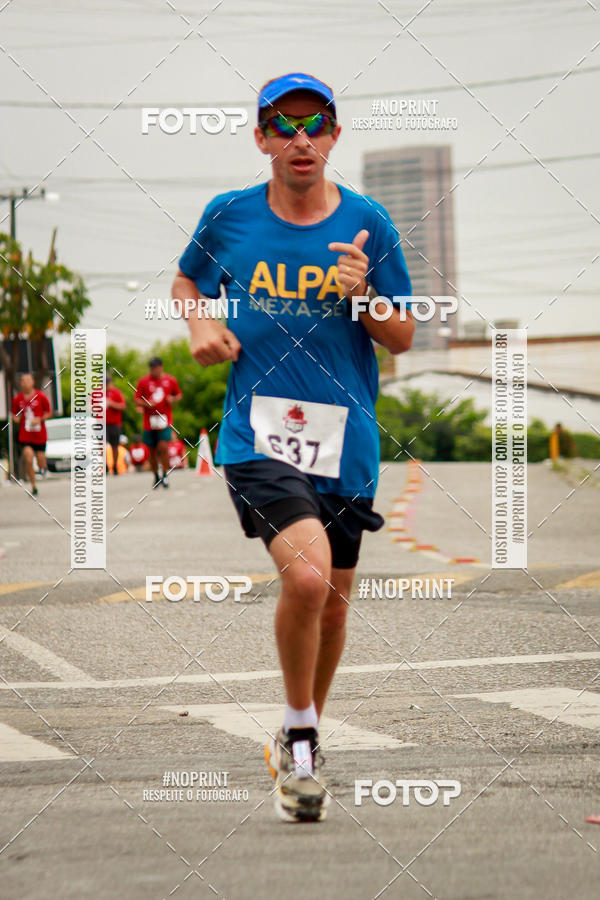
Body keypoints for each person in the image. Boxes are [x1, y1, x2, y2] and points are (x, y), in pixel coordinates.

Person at [173, 72, 414, 822]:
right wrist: (199, 324)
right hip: (258, 433)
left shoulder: (370, 223)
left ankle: (294, 728)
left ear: (335, 136)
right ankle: (306, 742)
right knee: (307, 580)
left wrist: (364, 294)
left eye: (316, 124)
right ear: (262, 139)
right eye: (283, 125)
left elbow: (403, 333)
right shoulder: (230, 217)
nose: (300, 137)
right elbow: (186, 283)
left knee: (333, 607)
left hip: (347, 440)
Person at [134, 357, 182, 488]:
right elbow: (137, 399)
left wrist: (172, 399)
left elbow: (178, 395)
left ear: (161, 367)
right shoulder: (143, 381)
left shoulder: (170, 380)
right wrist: (146, 404)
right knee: (152, 450)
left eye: (155, 367)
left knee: (163, 447)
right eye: (151, 368)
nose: (153, 370)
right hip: (149, 422)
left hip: (164, 420)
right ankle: (156, 475)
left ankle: (165, 475)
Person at [12, 373, 52, 496]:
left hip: (39, 435)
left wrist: (39, 419)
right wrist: (16, 419)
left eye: (27, 380)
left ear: (32, 382)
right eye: (23, 381)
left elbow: (49, 413)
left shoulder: (41, 396)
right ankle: (34, 486)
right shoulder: (17, 399)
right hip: (26, 435)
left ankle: (42, 468)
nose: (25, 383)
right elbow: (14, 415)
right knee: (28, 458)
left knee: (41, 461)